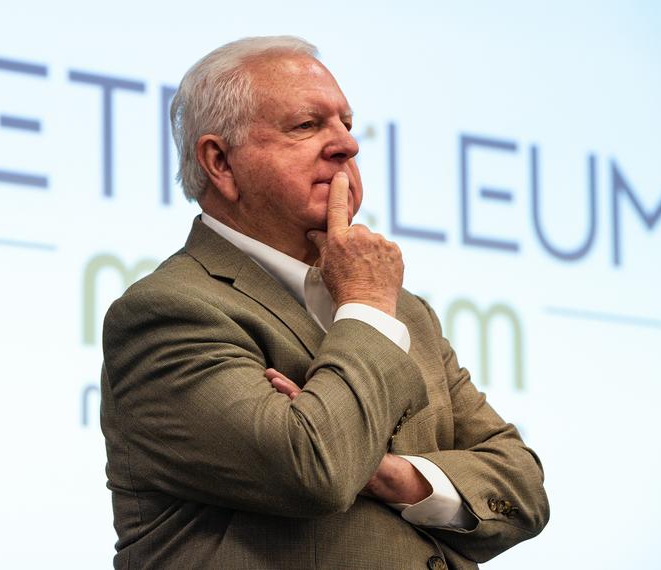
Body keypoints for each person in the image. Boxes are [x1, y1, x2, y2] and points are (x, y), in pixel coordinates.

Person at [100, 36, 549, 569]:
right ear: (219, 161)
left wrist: (390, 475)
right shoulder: (168, 311)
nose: (347, 146)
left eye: (347, 124)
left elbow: (522, 489)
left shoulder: (405, 312)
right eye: (307, 126)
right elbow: (313, 469)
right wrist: (363, 305)